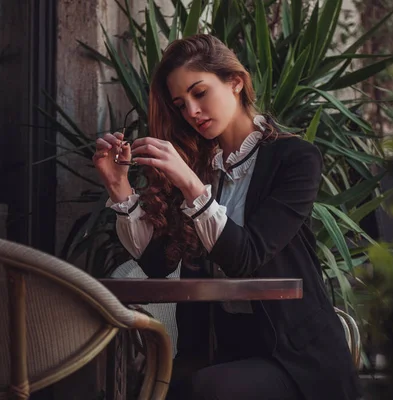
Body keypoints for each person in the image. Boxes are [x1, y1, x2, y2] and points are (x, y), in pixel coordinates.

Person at [92, 34, 361, 400]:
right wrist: (118, 186)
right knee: (167, 385)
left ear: (235, 82)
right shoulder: (202, 167)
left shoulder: (295, 158)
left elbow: (245, 256)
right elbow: (157, 263)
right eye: (180, 104)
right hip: (222, 347)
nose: (191, 112)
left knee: (206, 389)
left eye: (199, 93)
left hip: (296, 359)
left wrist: (189, 183)